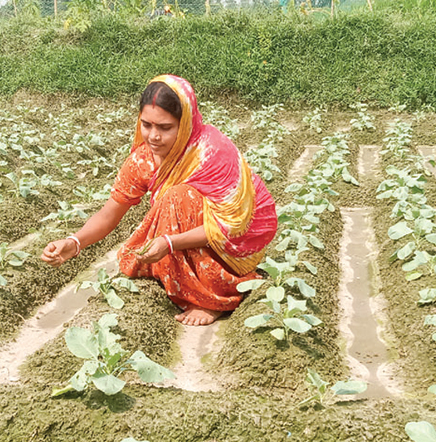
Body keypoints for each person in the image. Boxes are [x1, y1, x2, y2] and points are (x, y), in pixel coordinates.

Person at [41, 74, 278, 326]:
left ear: (184, 123)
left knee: (177, 197)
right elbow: (110, 213)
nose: (153, 136)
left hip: (235, 241)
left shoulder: (211, 152)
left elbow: (232, 224)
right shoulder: (143, 160)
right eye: (146, 125)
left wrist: (169, 242)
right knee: (156, 231)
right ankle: (184, 279)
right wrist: (73, 242)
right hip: (183, 237)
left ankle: (213, 298)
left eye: (165, 128)